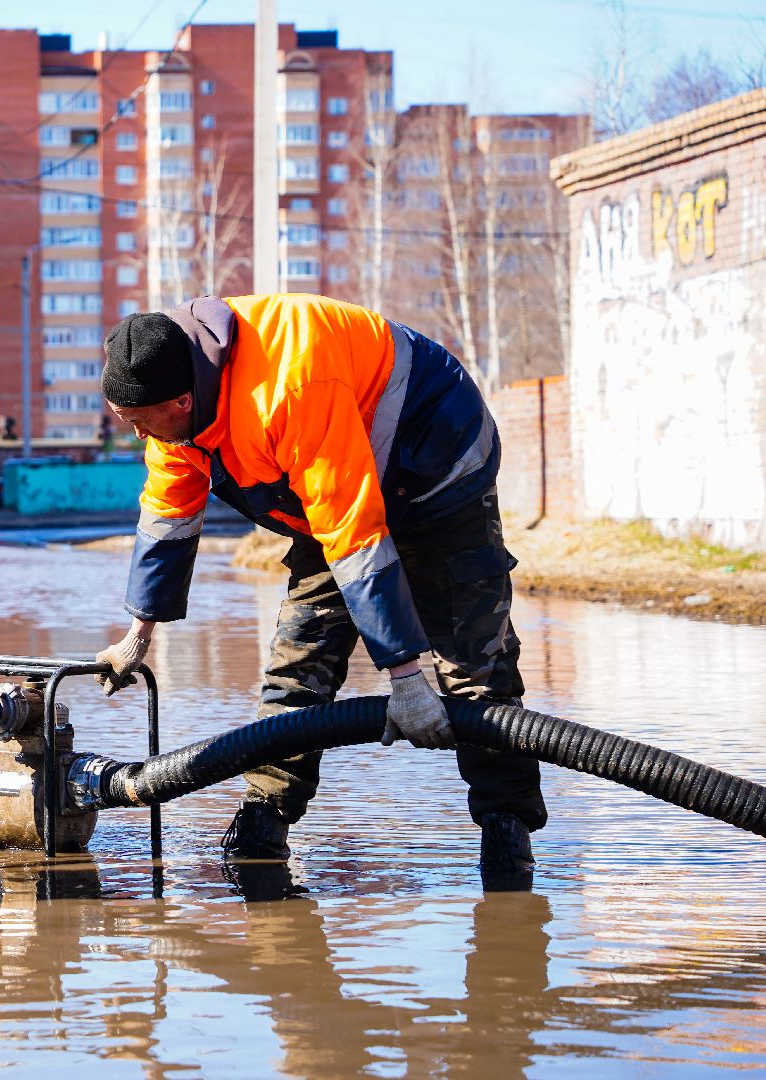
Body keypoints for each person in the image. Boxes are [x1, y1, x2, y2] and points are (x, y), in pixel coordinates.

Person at [93, 294, 541, 878]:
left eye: (138, 420)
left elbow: (353, 533)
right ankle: (263, 821)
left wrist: (406, 678)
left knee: (473, 659)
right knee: (301, 654)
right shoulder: (173, 409)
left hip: (434, 462)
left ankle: (506, 837)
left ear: (181, 401)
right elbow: (168, 519)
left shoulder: (288, 387)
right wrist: (138, 634)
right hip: (328, 483)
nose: (132, 432)